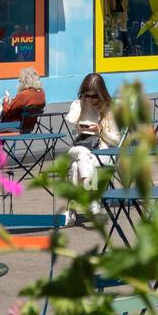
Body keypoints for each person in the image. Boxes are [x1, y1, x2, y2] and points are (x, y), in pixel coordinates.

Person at [65, 72, 122, 215]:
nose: (91, 99)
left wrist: (100, 130)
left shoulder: (108, 109)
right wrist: (81, 106)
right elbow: (71, 121)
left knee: (76, 165)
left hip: (102, 150)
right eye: (87, 95)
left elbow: (116, 140)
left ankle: (71, 211)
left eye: (94, 96)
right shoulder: (78, 105)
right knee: (83, 153)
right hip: (78, 147)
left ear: (101, 93)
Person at [0, 65, 46, 131]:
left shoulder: (24, 95)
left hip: (14, 126)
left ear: (24, 80)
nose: (19, 81)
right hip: (29, 127)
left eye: (20, 80)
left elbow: (7, 111)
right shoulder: (41, 93)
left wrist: (5, 101)